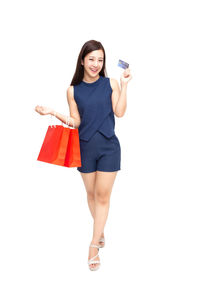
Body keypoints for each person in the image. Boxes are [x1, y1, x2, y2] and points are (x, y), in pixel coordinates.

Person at [35, 39, 132, 271]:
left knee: (102, 195)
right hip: (85, 147)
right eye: (91, 59)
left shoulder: (111, 84)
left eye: (100, 60)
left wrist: (125, 85)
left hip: (109, 147)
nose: (96, 64)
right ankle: (100, 231)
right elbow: (76, 121)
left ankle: (93, 246)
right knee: (91, 194)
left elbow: (119, 113)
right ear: (82, 60)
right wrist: (53, 112)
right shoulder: (72, 90)